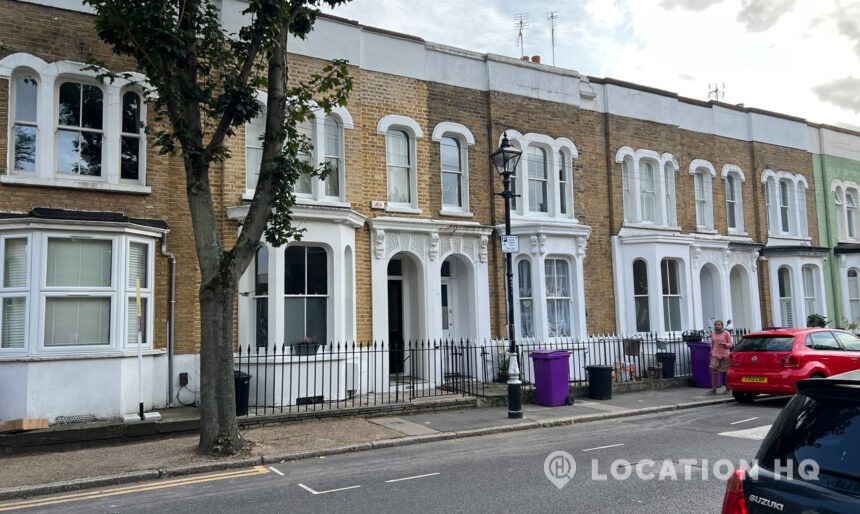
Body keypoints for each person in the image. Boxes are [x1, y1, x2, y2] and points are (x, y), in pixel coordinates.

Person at [709, 320, 733, 394]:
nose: (717, 326)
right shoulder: (713, 334)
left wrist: (726, 345)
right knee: (712, 370)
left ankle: (727, 389)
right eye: (716, 324)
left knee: (725, 372)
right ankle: (714, 389)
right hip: (715, 354)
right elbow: (712, 344)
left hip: (725, 354)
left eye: (719, 324)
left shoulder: (726, 333)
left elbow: (731, 344)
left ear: (722, 325)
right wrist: (711, 352)